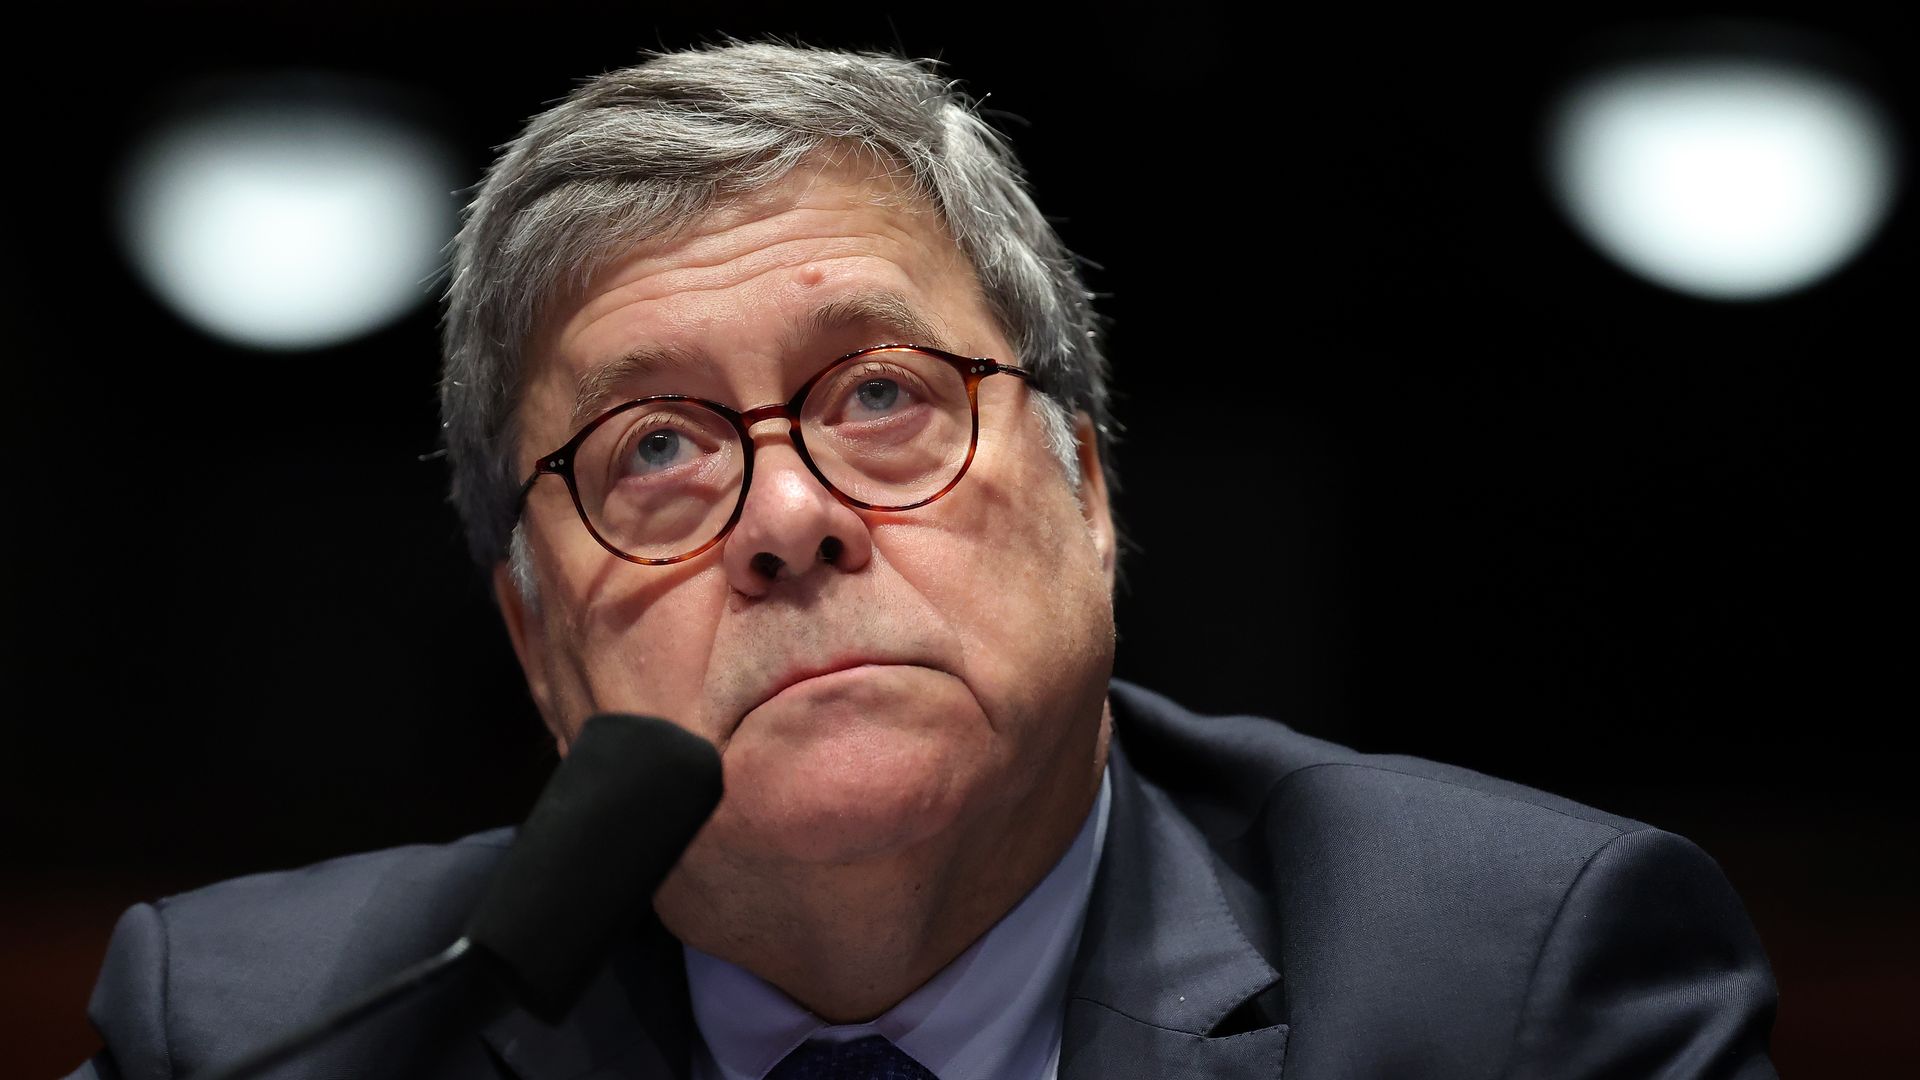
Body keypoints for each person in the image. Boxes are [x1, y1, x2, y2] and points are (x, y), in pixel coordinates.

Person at [69, 42, 1779, 1079]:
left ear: (1088, 489)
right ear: (531, 639)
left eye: (882, 394)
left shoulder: (1505, 990)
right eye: (654, 449)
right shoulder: (273, 1037)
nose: (789, 518)